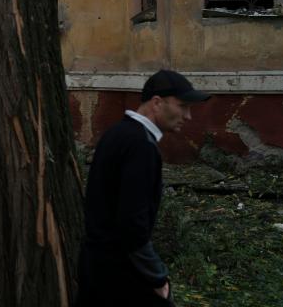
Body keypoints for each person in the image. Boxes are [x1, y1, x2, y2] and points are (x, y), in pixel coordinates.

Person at [74, 69, 211, 307]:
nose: (188, 116)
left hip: (96, 269)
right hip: (120, 278)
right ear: (157, 103)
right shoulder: (141, 146)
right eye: (183, 106)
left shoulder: (116, 134)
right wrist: (157, 277)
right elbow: (132, 226)